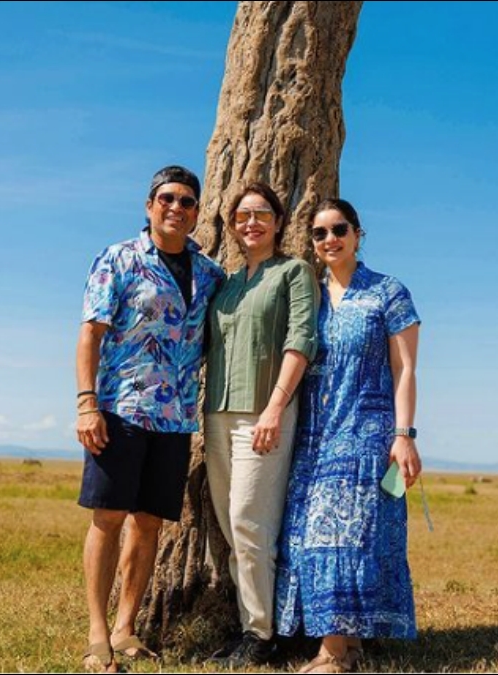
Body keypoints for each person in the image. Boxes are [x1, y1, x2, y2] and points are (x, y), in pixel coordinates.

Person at [75, 165, 224, 673]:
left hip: (177, 418)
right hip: (120, 410)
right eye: (167, 198)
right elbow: (90, 335)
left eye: (186, 201)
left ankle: (125, 627)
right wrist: (86, 403)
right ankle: (97, 634)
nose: (176, 208)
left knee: (148, 524)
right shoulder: (118, 259)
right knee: (108, 518)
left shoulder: (210, 274)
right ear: (149, 205)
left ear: (197, 212)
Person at [275, 198, 422, 674]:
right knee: (310, 539)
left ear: (358, 233)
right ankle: (351, 644)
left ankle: (331, 653)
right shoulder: (309, 298)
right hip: (314, 436)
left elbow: (405, 370)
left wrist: (404, 435)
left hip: (366, 430)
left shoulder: (388, 293)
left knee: (342, 537)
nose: (329, 239)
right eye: (319, 233)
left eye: (338, 229)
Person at [203, 183, 318, 666]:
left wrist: (274, 408)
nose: (252, 222)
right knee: (232, 528)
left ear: (277, 221)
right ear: (231, 224)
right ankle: (250, 625)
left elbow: (302, 341)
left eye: (262, 213)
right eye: (243, 215)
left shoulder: (293, 273)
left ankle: (263, 637)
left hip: (264, 413)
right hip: (216, 414)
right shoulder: (226, 283)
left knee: (251, 523)